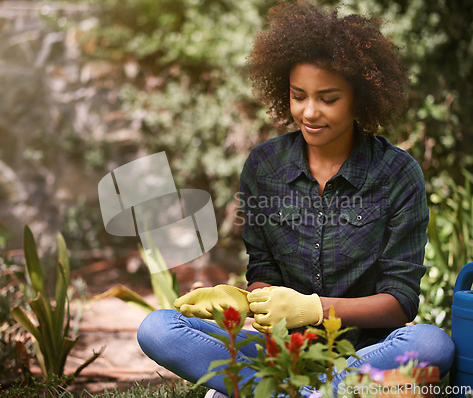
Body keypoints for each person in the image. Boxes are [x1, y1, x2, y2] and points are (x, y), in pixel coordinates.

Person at [137, 1, 455, 397]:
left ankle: (286, 391)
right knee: (158, 328)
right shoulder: (265, 166)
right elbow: (264, 271)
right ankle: (313, 391)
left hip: (367, 352)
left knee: (431, 345)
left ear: (359, 98)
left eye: (328, 98)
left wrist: (315, 308)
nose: (309, 112)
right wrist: (240, 301)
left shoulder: (396, 173)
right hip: (284, 354)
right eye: (298, 95)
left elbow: (400, 302)